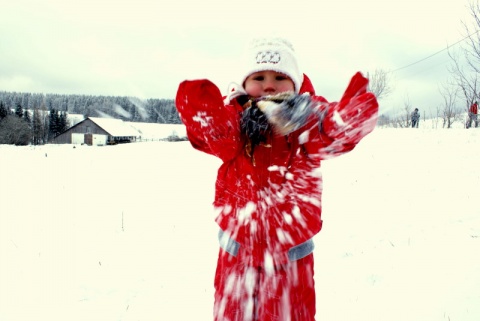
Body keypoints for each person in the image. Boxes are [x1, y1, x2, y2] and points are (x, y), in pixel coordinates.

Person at [175, 37, 378, 321]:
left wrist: (347, 121)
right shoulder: (235, 118)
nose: (269, 85)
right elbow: (216, 138)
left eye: (280, 77)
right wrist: (203, 115)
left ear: (295, 84)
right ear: (244, 84)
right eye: (259, 77)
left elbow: (331, 134)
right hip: (238, 255)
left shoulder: (307, 120)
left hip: (291, 259)